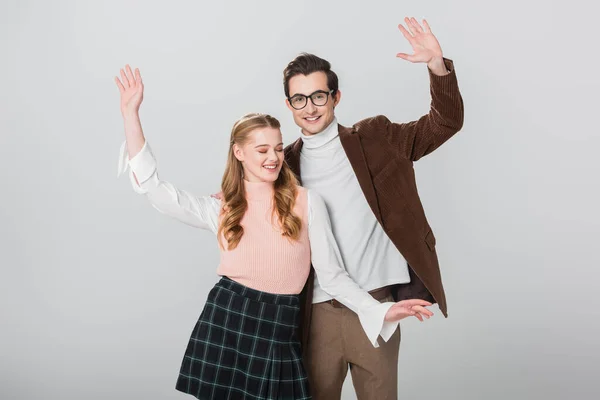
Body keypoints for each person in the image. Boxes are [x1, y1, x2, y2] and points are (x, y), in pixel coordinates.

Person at [114, 65, 434, 400]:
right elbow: (156, 192)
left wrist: (381, 311)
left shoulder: (307, 202)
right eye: (262, 150)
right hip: (229, 316)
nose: (273, 158)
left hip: (283, 322)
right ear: (239, 153)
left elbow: (333, 275)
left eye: (279, 148)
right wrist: (130, 114)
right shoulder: (223, 207)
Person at [282, 17, 465, 399]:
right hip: (315, 315)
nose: (310, 107)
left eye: (319, 96)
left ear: (336, 97)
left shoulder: (377, 137)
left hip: (378, 309)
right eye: (299, 99)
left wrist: (437, 66)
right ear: (289, 105)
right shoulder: (282, 167)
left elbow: (445, 123)